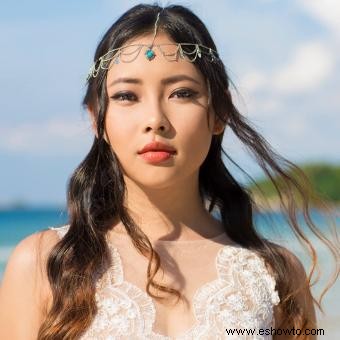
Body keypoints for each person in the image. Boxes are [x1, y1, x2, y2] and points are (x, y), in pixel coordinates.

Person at [0, 3, 338, 339]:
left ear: (220, 111)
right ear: (96, 118)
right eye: (126, 96)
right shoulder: (45, 264)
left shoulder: (274, 273)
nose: (155, 120)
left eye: (182, 93)